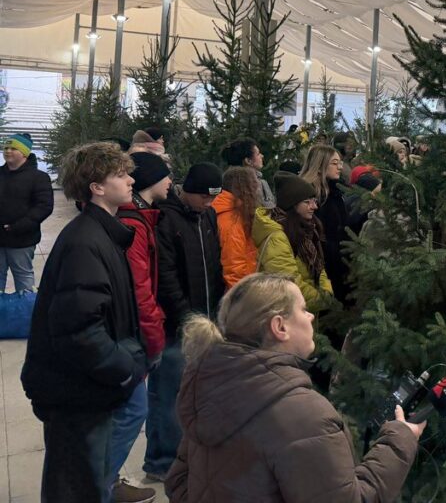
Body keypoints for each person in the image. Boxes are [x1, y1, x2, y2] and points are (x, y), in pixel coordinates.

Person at [165, 273, 421, 502]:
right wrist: (399, 439)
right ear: (280, 327)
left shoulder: (210, 392)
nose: (311, 317)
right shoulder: (306, 415)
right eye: (303, 309)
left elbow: (178, 483)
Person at [21, 143, 146, 503]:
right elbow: (79, 331)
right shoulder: (85, 242)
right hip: (77, 393)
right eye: (121, 174)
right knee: (76, 486)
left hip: (85, 389)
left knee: (83, 481)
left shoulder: (101, 234)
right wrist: (125, 366)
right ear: (97, 187)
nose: (131, 180)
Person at [148, 162, 225, 482]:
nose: (210, 203)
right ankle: (161, 462)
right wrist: (185, 318)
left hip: (204, 321)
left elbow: (214, 265)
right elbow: (165, 276)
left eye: (213, 198)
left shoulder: (207, 216)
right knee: (169, 394)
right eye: (205, 197)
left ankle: (189, 454)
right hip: (176, 326)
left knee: (196, 392)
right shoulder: (167, 219)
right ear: (188, 191)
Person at [111, 152, 174, 503]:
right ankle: (101, 483)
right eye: (166, 176)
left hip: (134, 330)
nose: (171, 182)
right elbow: (140, 288)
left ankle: (104, 480)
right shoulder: (134, 225)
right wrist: (154, 336)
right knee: (132, 410)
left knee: (130, 409)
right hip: (132, 332)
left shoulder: (145, 217)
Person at [254, 173, 333, 312]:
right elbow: (288, 282)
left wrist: (325, 289)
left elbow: (318, 267)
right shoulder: (277, 237)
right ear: (292, 205)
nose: (314, 206)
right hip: (288, 313)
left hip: (303, 311)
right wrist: (321, 299)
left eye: (314, 201)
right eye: (307, 202)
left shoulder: (304, 229)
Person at [0, 132, 54, 291]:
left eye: (13, 148)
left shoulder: (39, 177)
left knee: (23, 278)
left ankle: (26, 306)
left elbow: (44, 206)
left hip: (22, 240)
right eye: (6, 147)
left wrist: (18, 226)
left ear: (24, 152)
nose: (8, 151)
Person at [300, 144, 350, 302]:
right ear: (320, 165)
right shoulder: (310, 196)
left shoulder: (335, 191)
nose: (340, 167)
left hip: (339, 263)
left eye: (340, 163)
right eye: (334, 163)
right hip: (322, 267)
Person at [214, 166, 261, 288]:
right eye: (254, 185)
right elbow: (233, 267)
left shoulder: (236, 211)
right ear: (245, 188)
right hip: (240, 289)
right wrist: (243, 294)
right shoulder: (231, 218)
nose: (257, 189)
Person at [222, 137, 274, 208]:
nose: (262, 156)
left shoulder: (225, 183)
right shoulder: (255, 185)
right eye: (258, 154)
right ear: (248, 161)